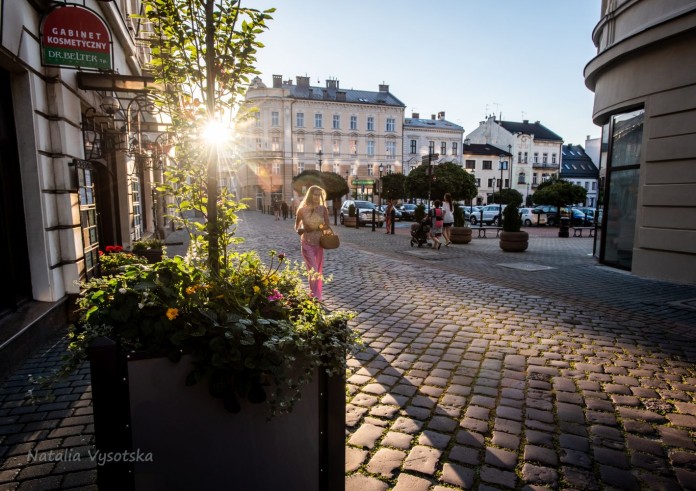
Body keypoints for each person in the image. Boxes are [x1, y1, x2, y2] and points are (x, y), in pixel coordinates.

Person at [295, 185, 330, 301]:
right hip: (306, 243)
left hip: (319, 243)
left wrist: (319, 227)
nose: (316, 197)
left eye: (318, 195)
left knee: (317, 270)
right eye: (315, 194)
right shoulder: (302, 210)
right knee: (313, 269)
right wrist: (302, 229)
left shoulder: (323, 209)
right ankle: (315, 296)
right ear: (310, 195)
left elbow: (327, 226)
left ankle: (315, 295)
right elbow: (297, 227)